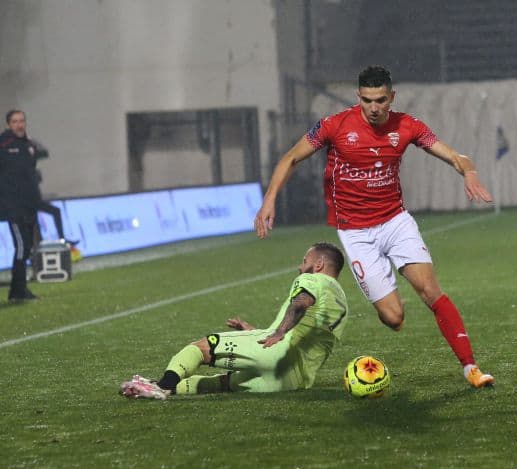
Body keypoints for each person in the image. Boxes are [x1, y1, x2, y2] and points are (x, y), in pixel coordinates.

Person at [255, 65, 495, 388]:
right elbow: (290, 158)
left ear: (391, 97)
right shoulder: (335, 125)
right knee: (393, 318)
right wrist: (269, 199)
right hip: (356, 234)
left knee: (430, 290)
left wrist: (469, 171)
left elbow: (454, 156)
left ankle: (471, 368)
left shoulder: (407, 127)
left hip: (395, 222)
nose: (374, 108)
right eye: (367, 100)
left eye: (381, 100)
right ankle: (386, 286)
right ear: (359, 96)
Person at [120, 242, 349, 400]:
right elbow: (306, 333)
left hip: (277, 353)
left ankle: (161, 387)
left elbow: (300, 303)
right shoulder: (342, 304)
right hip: (291, 381)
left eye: (305, 260)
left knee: (201, 348)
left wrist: (278, 333)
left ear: (318, 264)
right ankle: (153, 386)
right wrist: (257, 331)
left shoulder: (313, 280)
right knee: (223, 384)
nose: (300, 266)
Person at [0, 110, 43, 302]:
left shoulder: (29, 145)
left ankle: (20, 291)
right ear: (9, 124)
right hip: (13, 207)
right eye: (15, 121)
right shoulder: (3, 145)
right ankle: (17, 292)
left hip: (28, 206)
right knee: (21, 246)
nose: (19, 125)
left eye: (22, 121)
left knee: (26, 248)